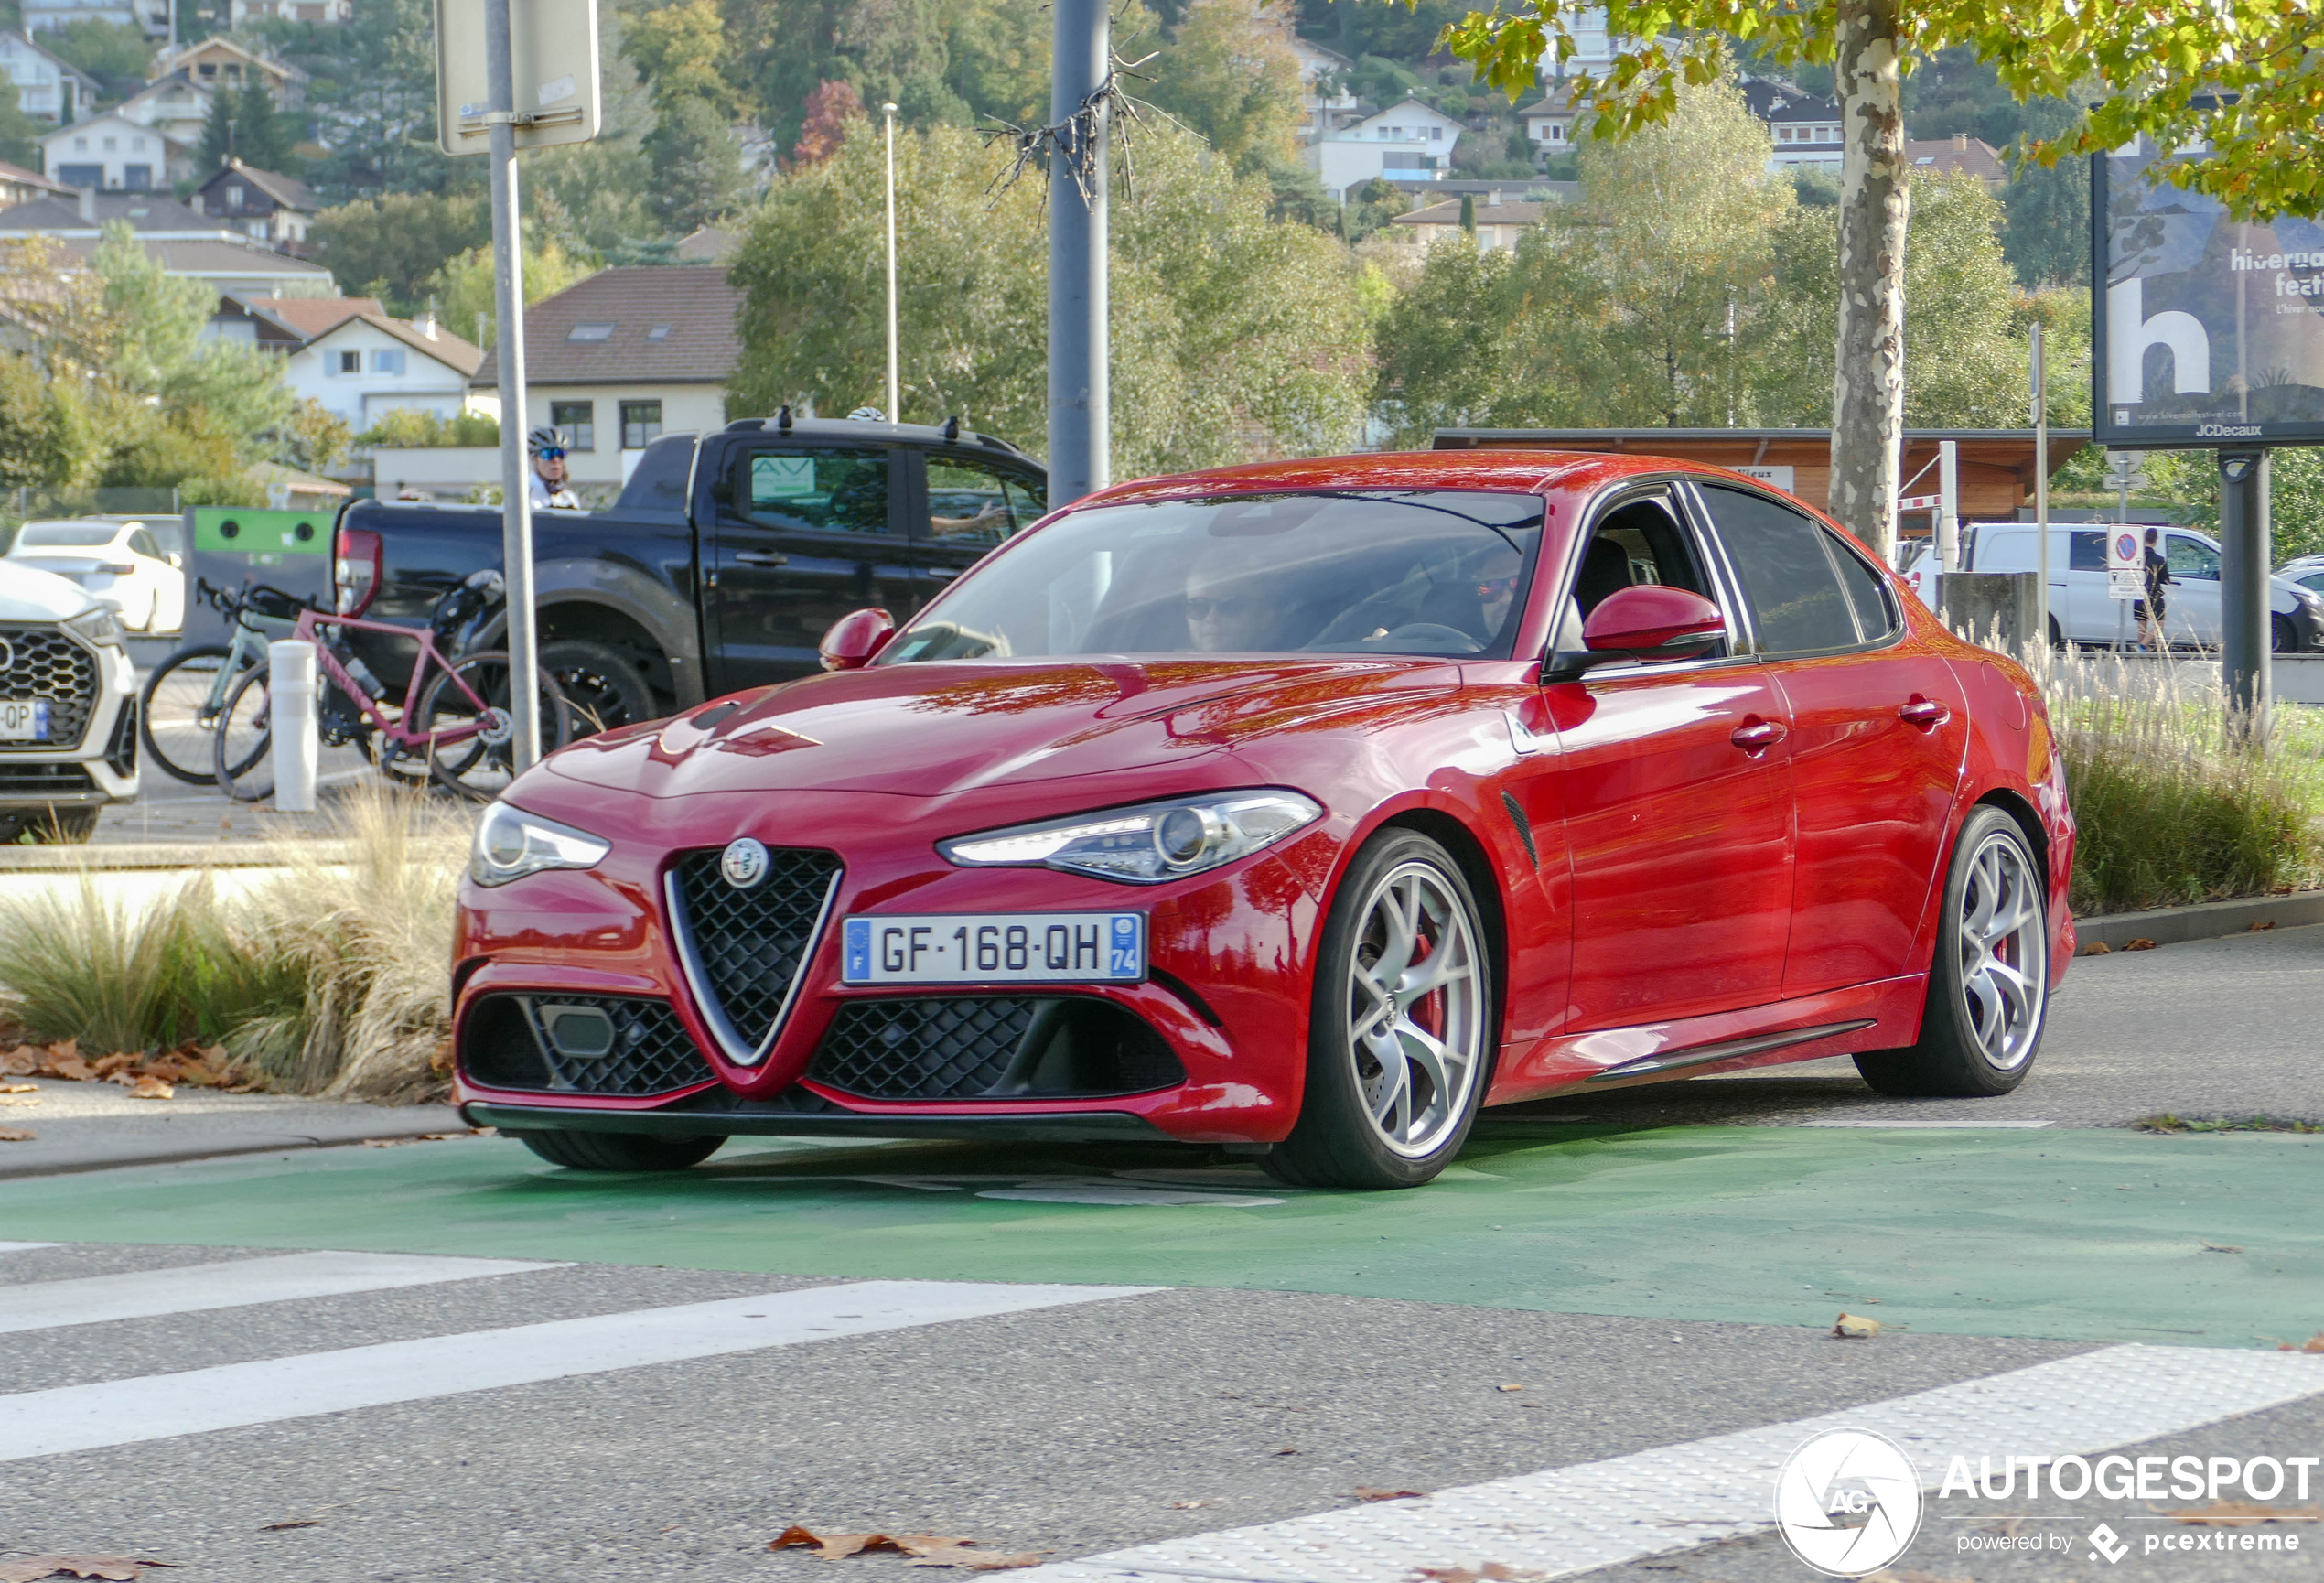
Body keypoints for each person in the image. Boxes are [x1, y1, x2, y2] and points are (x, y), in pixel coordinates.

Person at [2135, 526, 2171, 651]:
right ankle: (2142, 645)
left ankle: (2141, 651)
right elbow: (2165, 579)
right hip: (2153, 595)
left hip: (2138, 594)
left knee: (2142, 623)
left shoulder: (2136, 558)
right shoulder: (2159, 560)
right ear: (2156, 540)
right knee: (2160, 624)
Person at [528, 426, 581, 511]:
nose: (556, 460)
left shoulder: (570, 498)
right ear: (534, 459)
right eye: (548, 454)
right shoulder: (522, 497)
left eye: (560, 454)